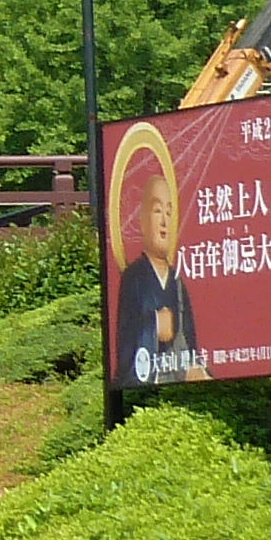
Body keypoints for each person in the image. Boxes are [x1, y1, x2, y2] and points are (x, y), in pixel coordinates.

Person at [106, 124, 201, 387]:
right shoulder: (133, 278)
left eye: (170, 212)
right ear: (141, 219)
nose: (164, 221)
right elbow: (124, 347)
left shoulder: (179, 281)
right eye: (157, 210)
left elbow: (192, 348)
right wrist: (153, 326)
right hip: (148, 377)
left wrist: (195, 366)